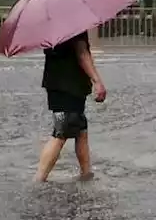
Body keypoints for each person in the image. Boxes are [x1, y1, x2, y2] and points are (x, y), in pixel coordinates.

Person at [34, 30, 107, 183]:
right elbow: (82, 54)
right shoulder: (75, 23)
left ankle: (86, 174)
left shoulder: (52, 21)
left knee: (81, 129)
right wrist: (97, 80)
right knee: (62, 131)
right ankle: (38, 179)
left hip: (56, 80)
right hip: (69, 83)